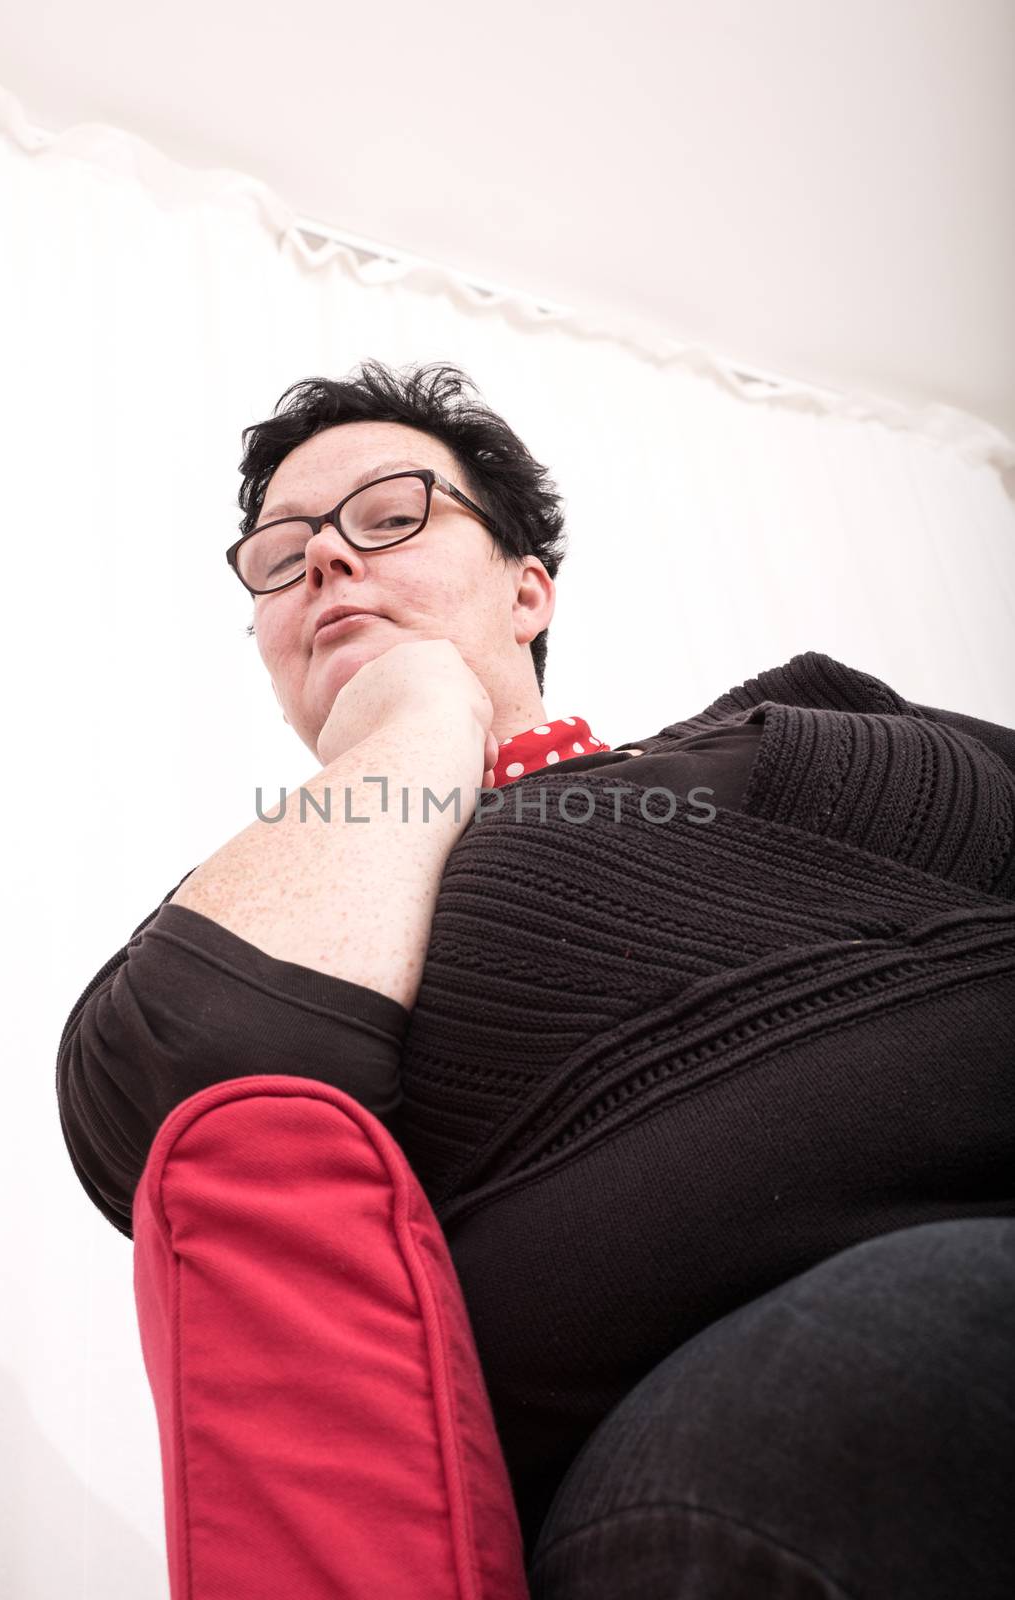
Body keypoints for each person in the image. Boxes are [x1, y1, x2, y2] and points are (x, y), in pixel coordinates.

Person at [57, 360, 1015, 1596]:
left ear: (526, 590)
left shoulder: (798, 726)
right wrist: (414, 719)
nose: (327, 562)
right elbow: (202, 1098)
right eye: (282, 551)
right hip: (752, 1433)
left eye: (390, 514)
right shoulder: (271, 892)